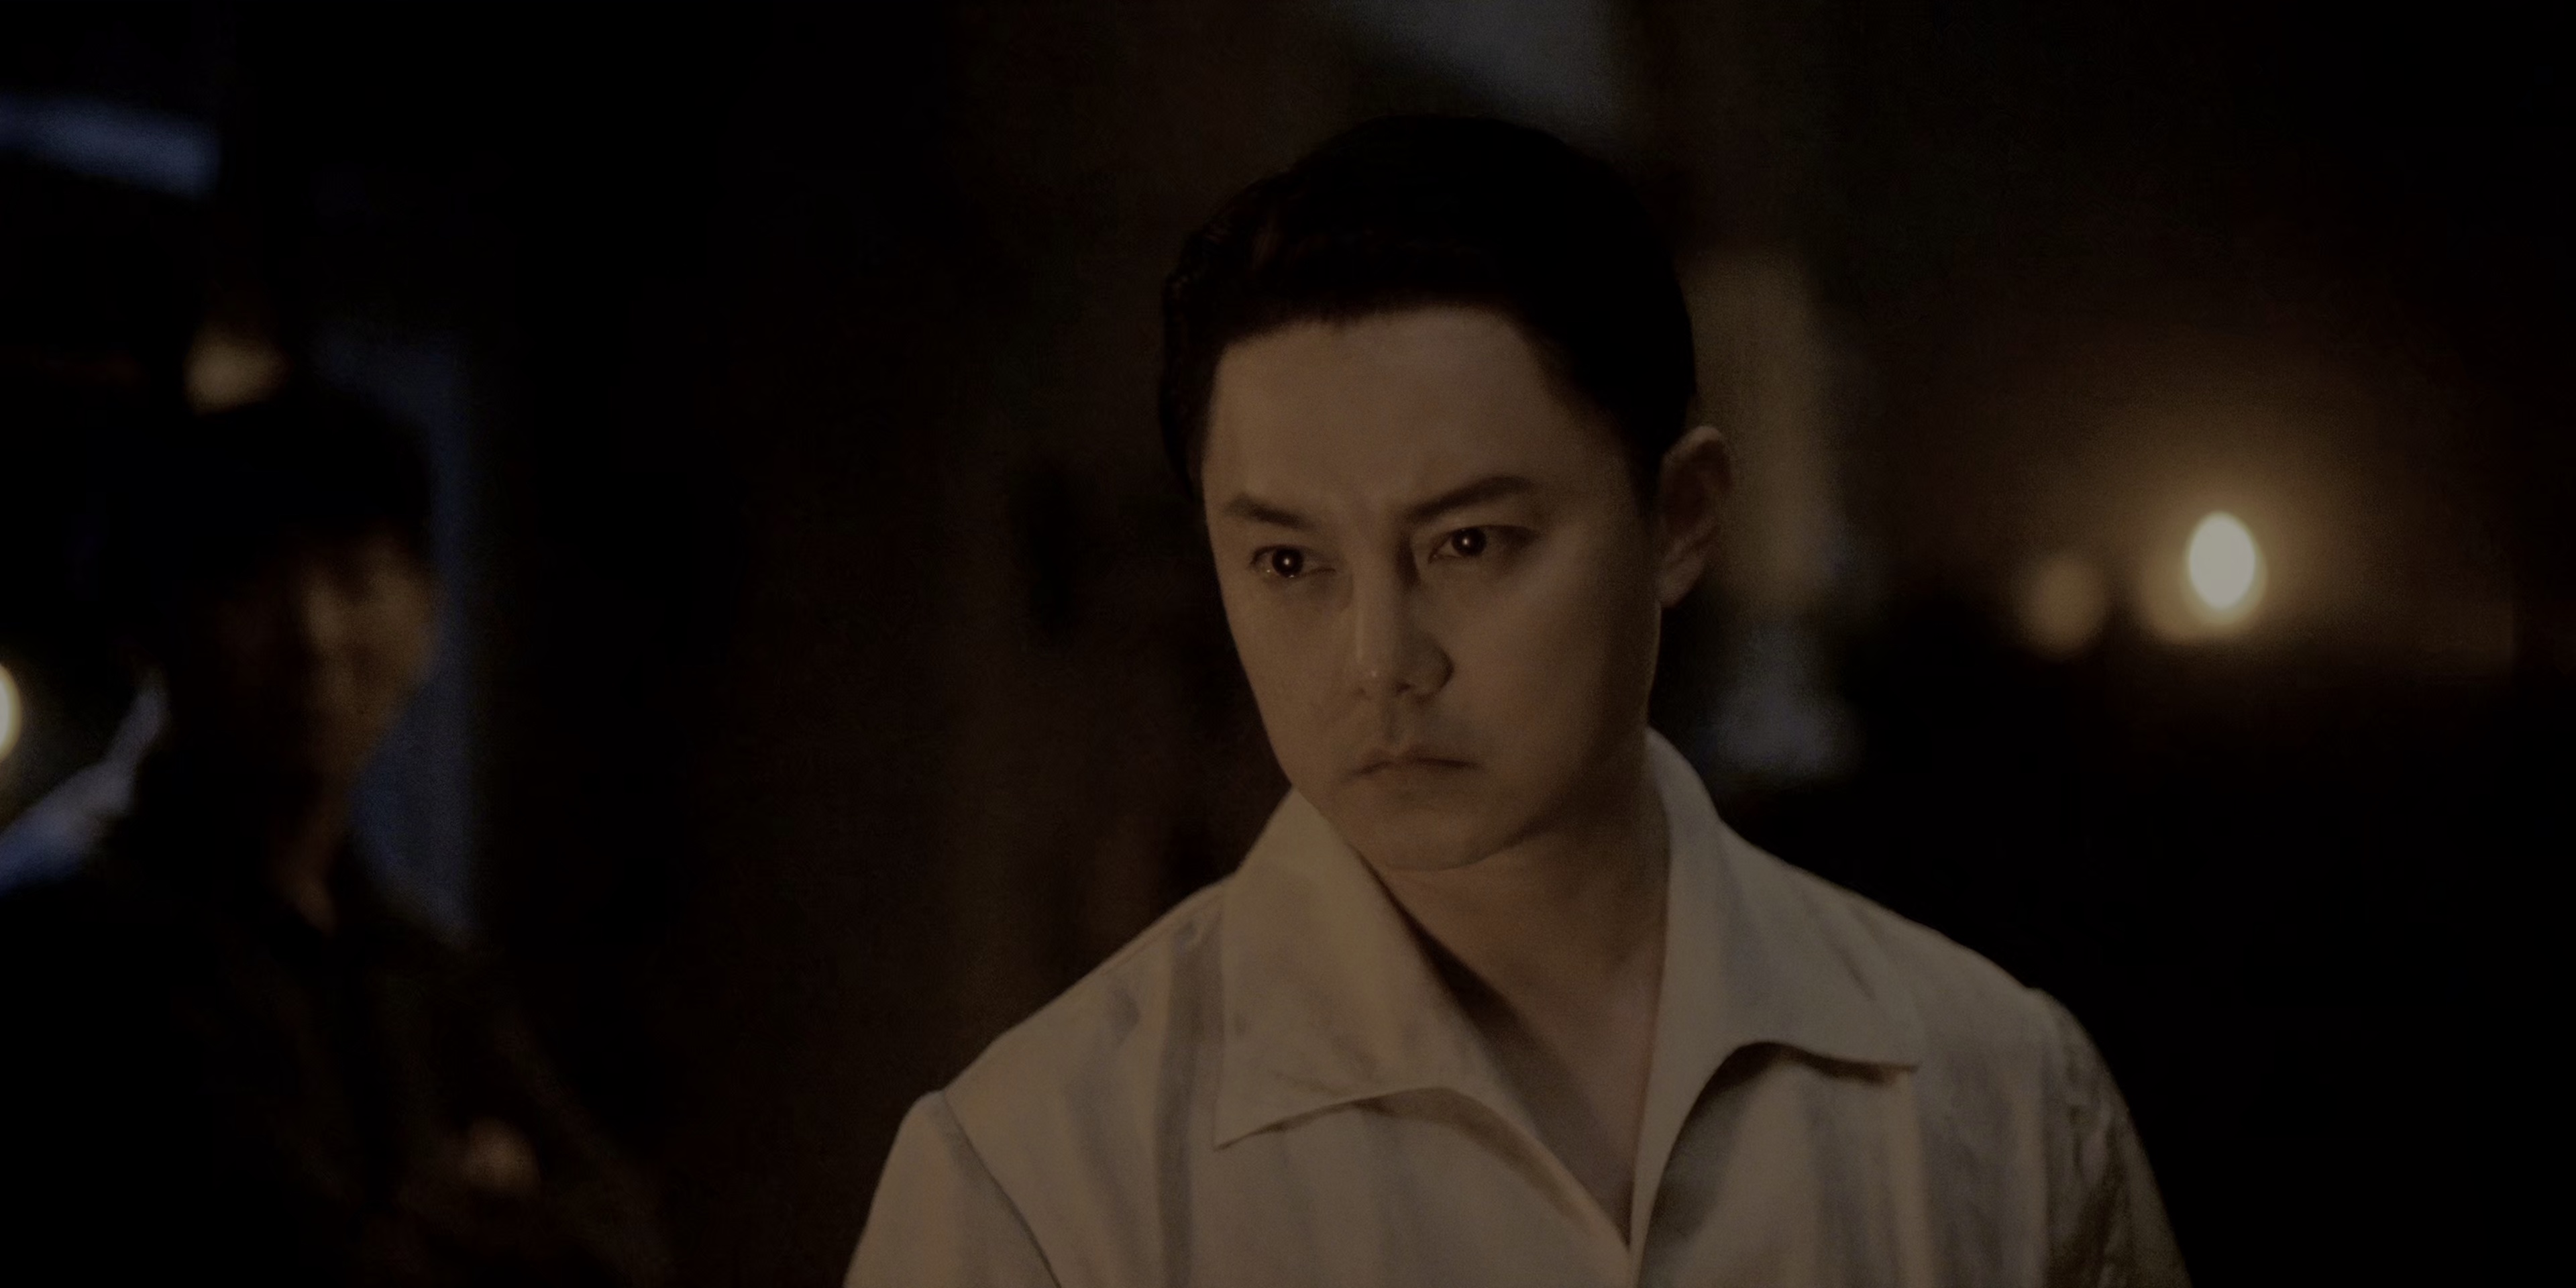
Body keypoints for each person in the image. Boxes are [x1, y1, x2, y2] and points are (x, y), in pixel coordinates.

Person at [847, 115, 2187, 1288]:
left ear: (1680, 516)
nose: (1381, 659)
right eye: (1290, 563)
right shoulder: (1038, 1181)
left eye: (1469, 542)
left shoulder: (1998, 1096)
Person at [0, 390, 667, 1287]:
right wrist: (485, 1210)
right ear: (147, 624)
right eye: (250, 581)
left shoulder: (409, 958)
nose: (314, 637)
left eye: (355, 579)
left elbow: (624, 1241)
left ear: (427, 620)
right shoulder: (67, 926)